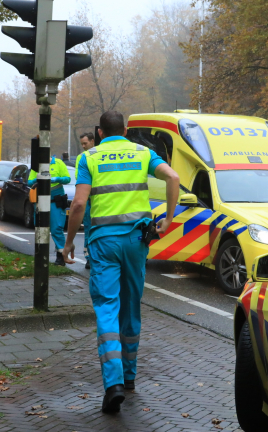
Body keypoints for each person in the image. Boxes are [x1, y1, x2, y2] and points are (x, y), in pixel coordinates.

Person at [63, 111, 179, 413]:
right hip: (137, 241)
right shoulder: (144, 153)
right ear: (125, 130)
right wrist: (169, 217)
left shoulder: (89, 158)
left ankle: (113, 384)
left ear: (100, 132)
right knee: (131, 306)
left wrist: (67, 244)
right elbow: (173, 177)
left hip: (104, 243)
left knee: (106, 308)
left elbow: (78, 204)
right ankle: (129, 378)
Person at [27, 152, 71, 266]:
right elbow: (29, 182)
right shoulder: (36, 166)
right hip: (40, 199)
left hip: (55, 200)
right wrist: (38, 178)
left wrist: (55, 178)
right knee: (40, 227)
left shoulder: (58, 163)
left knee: (57, 228)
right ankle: (41, 254)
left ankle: (61, 256)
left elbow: (67, 179)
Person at [76, 132, 96, 269]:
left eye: (85, 143)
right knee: (88, 230)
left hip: (100, 199)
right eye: (82, 144)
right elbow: (80, 177)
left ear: (92, 141)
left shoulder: (99, 154)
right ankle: (89, 257)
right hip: (89, 199)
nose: (83, 146)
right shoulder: (81, 158)